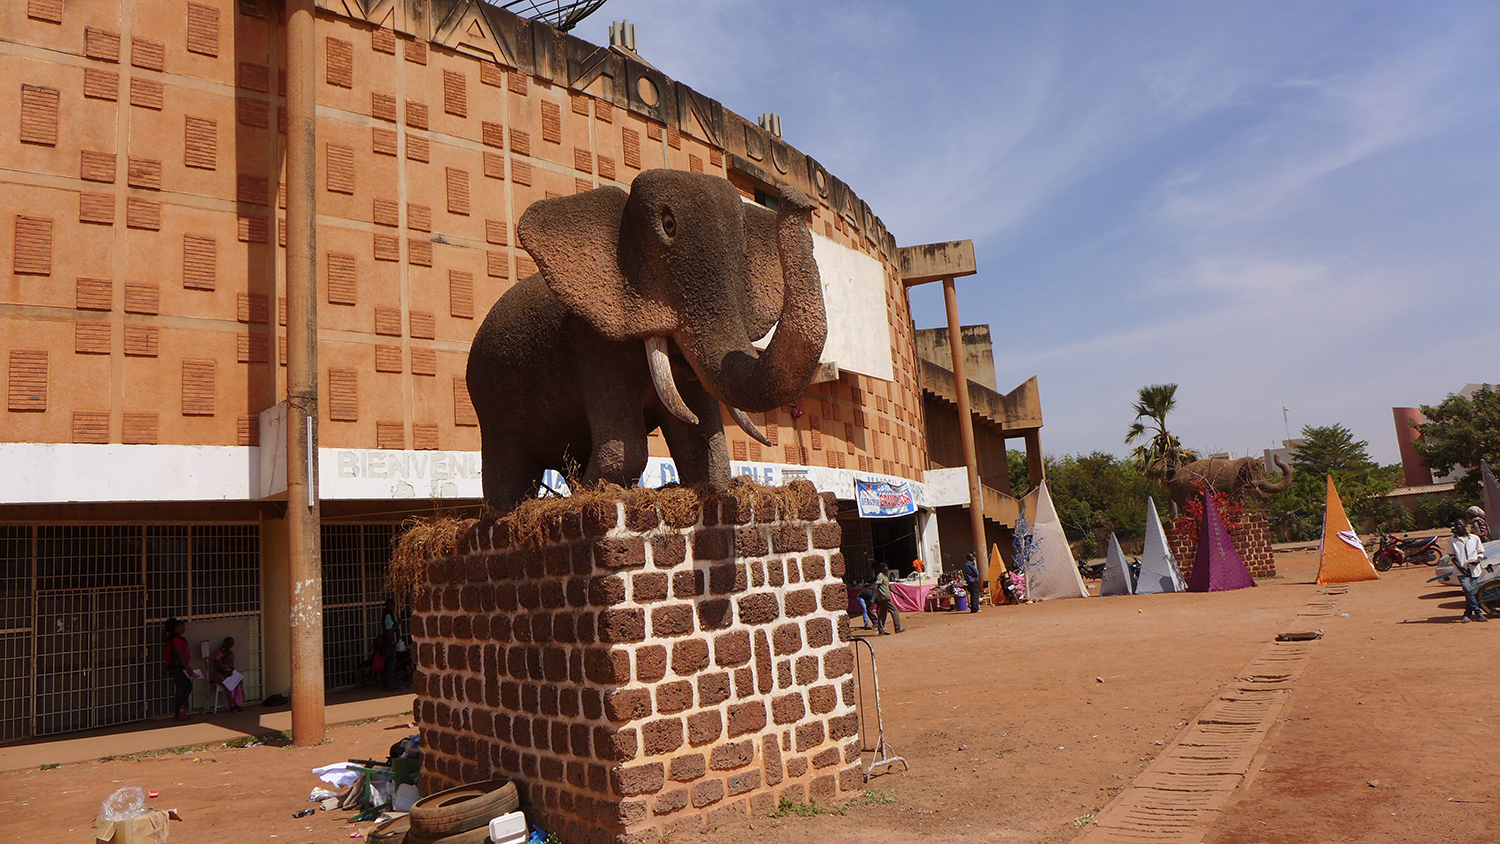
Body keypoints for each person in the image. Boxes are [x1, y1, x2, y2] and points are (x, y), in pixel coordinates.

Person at [1450, 519, 1488, 623]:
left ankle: (1467, 614)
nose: (1458, 527)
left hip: (1474, 570)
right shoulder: (1452, 540)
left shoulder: (1474, 538)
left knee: (1470, 592)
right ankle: (1478, 612)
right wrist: (1460, 567)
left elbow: (1480, 552)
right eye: (1456, 525)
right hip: (1461, 570)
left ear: (1465, 525)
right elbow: (1452, 556)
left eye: (1460, 525)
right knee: (1467, 589)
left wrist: (1478, 560)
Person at [163, 618, 194, 721]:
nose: (183, 628)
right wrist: (187, 667)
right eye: (181, 627)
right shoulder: (176, 639)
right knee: (185, 685)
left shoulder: (176, 638)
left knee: (183, 686)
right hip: (176, 666)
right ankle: (181, 708)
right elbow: (180, 654)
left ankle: (180, 709)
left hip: (178, 666)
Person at [210, 637, 244, 712]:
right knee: (230, 684)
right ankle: (232, 706)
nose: (230, 646)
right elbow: (218, 666)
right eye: (229, 644)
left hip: (228, 673)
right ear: (225, 643)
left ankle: (238, 704)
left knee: (238, 682)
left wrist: (233, 673)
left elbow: (231, 665)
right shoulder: (218, 653)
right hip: (218, 674)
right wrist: (226, 673)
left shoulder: (230, 653)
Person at [872, 564, 903, 634]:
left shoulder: (885, 576)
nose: (887, 568)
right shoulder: (880, 576)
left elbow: (890, 587)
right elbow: (876, 586)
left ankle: (881, 630)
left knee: (883, 614)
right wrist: (873, 597)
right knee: (894, 610)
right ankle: (897, 628)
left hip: (885, 597)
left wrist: (899, 594)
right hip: (885, 597)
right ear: (882, 568)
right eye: (885, 567)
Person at [381, 598, 400, 690]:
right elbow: (390, 629)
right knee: (390, 663)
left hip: (390, 641)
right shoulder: (388, 615)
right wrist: (397, 624)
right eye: (393, 605)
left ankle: (388, 682)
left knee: (391, 662)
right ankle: (388, 683)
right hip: (390, 642)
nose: (394, 607)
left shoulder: (388, 614)